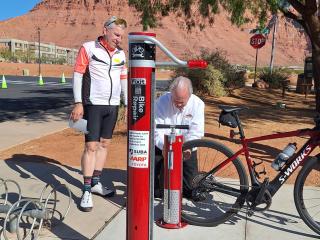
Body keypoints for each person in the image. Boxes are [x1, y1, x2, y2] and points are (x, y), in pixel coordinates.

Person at [70, 16, 127, 212]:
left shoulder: (121, 54)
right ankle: (86, 191)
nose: (119, 39)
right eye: (116, 34)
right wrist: (78, 102)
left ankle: (96, 182)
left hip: (112, 106)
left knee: (105, 144)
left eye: (121, 36)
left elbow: (123, 78)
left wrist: (126, 104)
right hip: (93, 104)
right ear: (105, 30)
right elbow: (77, 75)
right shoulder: (88, 48)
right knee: (91, 146)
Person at [154, 76, 205, 199]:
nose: (178, 104)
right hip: (163, 144)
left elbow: (196, 132)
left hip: (186, 146)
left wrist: (188, 147)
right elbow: (156, 131)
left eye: (182, 101)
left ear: (190, 95)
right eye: (175, 100)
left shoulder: (197, 104)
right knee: (157, 190)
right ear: (171, 93)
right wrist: (164, 146)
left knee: (190, 189)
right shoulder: (161, 102)